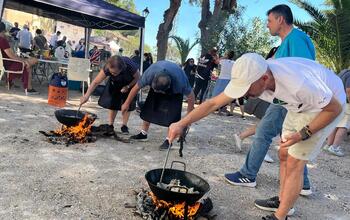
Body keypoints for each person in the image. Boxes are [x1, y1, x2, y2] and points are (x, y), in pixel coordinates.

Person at [168, 53, 345, 220]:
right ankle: (284, 202)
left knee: (295, 162)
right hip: (296, 106)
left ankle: (280, 216)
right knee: (283, 154)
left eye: (246, 89)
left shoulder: (298, 83)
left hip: (325, 107)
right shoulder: (251, 75)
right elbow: (212, 103)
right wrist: (182, 123)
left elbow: (334, 108)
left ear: (264, 78)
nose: (244, 94)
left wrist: (302, 134)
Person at [224, 5, 315, 198]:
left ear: (280, 19)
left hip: (288, 99)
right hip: (287, 100)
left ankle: (247, 175)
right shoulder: (287, 42)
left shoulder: (296, 39)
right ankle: (304, 184)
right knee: (289, 140)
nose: (267, 25)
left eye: (269, 21)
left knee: (263, 133)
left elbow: (304, 70)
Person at [121, 60, 195, 150]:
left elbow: (191, 97)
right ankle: (143, 134)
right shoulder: (149, 75)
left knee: (173, 114)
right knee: (149, 108)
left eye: (159, 91)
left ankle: (169, 141)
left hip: (174, 91)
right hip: (158, 80)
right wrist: (126, 103)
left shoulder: (180, 82)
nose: (158, 93)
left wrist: (188, 118)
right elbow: (136, 88)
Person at [233, 47, 279, 162]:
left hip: (270, 93)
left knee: (268, 122)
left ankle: (242, 136)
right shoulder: (267, 66)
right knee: (269, 123)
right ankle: (260, 150)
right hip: (265, 92)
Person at [80, 55, 140, 135]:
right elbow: (95, 82)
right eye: (111, 72)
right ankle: (111, 125)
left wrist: (128, 86)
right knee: (113, 103)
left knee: (127, 104)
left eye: (114, 73)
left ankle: (124, 126)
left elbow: (138, 78)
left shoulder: (130, 66)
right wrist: (86, 95)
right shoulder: (107, 68)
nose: (112, 73)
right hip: (114, 83)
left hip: (129, 82)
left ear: (121, 69)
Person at [0, 22, 38, 95]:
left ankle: (11, 83)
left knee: (29, 62)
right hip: (9, 64)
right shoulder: (2, 40)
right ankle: (29, 88)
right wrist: (23, 61)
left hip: (5, 63)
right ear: (4, 31)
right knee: (33, 61)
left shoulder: (3, 39)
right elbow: (11, 56)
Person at [323, 68, 350, 157]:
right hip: (346, 103)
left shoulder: (343, 72)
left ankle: (328, 145)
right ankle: (335, 147)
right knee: (344, 126)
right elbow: (348, 89)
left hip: (338, 100)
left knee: (336, 124)